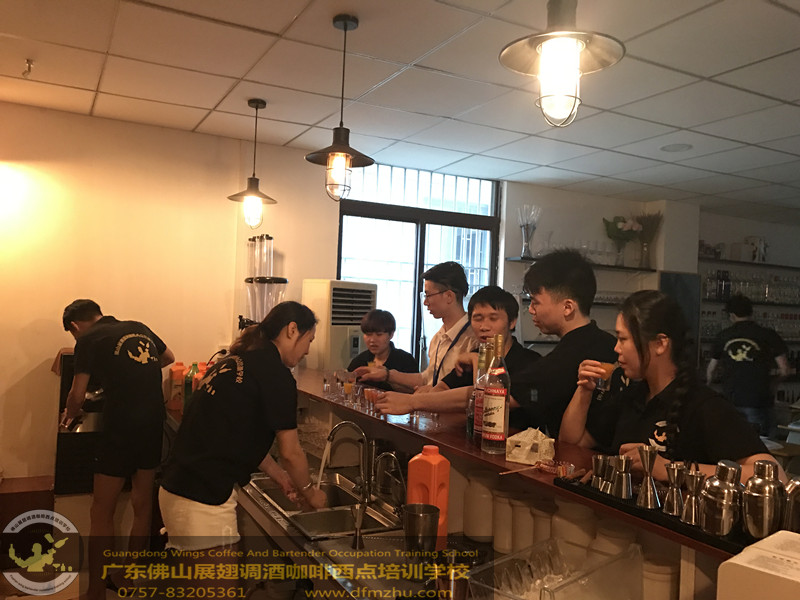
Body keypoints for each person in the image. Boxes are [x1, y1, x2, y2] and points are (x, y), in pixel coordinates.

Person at [560, 290, 783, 483]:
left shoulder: (703, 405)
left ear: (660, 344)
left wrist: (669, 469)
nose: (616, 348)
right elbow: (571, 444)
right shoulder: (632, 397)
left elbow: (774, 475)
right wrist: (584, 391)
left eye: (623, 339)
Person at [159, 301, 326, 554]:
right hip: (202, 498)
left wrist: (281, 477)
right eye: (309, 340)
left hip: (179, 487)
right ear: (292, 330)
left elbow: (236, 435)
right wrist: (310, 493)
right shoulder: (276, 375)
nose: (308, 351)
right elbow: (291, 453)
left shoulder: (235, 361)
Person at [62, 299, 175, 600]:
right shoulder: (138, 327)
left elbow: (77, 394)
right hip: (153, 421)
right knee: (142, 504)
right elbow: (169, 357)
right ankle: (126, 578)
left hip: (120, 427)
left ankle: (96, 591)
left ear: (74, 326)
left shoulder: (87, 339)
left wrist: (70, 414)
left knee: (101, 510)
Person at [373, 286, 539, 415]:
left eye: (493, 318)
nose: (484, 327)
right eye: (478, 318)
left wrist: (413, 402)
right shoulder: (473, 354)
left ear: (512, 322)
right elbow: (441, 389)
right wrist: (429, 396)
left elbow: (487, 401)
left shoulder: (530, 363)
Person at [514, 249, 617, 436]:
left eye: (535, 302)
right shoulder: (606, 342)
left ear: (568, 307)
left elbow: (502, 395)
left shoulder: (567, 357)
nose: (531, 310)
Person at [354, 261, 477, 392]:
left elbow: (471, 391)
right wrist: (387, 375)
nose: (425, 302)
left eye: (428, 295)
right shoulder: (438, 337)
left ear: (449, 296)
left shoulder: (473, 338)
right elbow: (427, 379)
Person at [707, 294, 790, 437]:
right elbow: (785, 370)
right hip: (759, 398)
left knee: (733, 442)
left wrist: (710, 387)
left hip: (730, 399)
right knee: (763, 443)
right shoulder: (768, 335)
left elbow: (711, 371)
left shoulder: (723, 336)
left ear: (732, 315)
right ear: (751, 313)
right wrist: (773, 384)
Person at [347, 309, 418, 391]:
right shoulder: (360, 361)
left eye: (379, 334)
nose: (372, 340)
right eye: (368, 334)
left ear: (391, 334)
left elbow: (416, 390)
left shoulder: (405, 360)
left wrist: (388, 378)